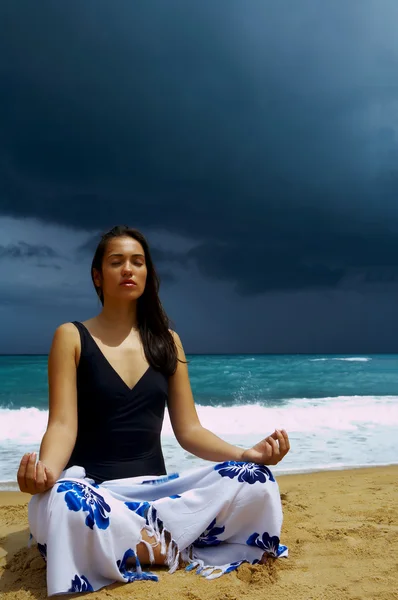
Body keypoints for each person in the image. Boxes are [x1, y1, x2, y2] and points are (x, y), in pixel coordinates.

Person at [17, 225, 290, 595]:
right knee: (66, 502)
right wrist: (46, 472)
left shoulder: (167, 342)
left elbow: (190, 431)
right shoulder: (71, 336)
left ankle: (136, 544)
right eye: (116, 262)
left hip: (157, 496)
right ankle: (163, 541)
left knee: (255, 481)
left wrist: (246, 454)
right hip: (95, 495)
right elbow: (64, 425)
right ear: (98, 276)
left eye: (137, 262)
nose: (128, 269)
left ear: (148, 273)